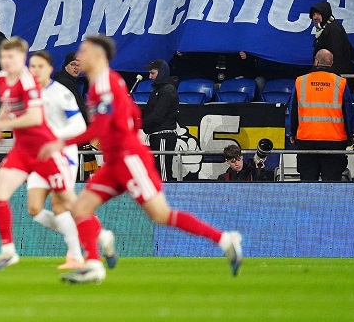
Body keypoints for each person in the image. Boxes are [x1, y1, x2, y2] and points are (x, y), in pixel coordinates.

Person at [41, 35, 242, 285]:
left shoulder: (105, 84)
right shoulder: (98, 85)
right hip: (114, 162)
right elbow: (134, 116)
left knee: (161, 215)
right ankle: (93, 265)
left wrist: (61, 142)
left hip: (129, 161)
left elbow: (98, 128)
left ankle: (225, 240)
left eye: (85, 50)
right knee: (81, 208)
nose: (80, 55)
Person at [0, 38, 85, 272]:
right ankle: (8, 251)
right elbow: (7, 104)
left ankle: (94, 239)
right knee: (0, 193)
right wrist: (0, 122)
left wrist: (6, 124)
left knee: (67, 203)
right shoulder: (0, 78)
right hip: (22, 150)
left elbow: (35, 118)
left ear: (22, 59)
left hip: (45, 150)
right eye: (3, 57)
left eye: (12, 58)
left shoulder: (29, 82)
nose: (6, 62)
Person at [25, 50, 101, 269]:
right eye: (33, 66)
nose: (36, 70)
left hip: (62, 155)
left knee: (61, 206)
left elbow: (78, 125)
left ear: (49, 69)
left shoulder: (62, 91)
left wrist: (54, 138)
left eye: (40, 66)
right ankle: (95, 232)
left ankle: (77, 255)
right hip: (41, 157)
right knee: (34, 210)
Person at [290, 50, 350, 182]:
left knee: (308, 183)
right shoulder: (341, 83)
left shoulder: (300, 82)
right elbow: (348, 113)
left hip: (306, 140)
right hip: (334, 141)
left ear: (316, 62)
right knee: (332, 184)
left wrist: (293, 133)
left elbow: (293, 110)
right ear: (331, 63)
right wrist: (350, 138)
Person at [141, 58, 180, 180]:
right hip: (157, 136)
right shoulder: (158, 91)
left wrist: (139, 123)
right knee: (157, 171)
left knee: (163, 173)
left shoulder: (167, 90)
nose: (150, 77)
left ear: (161, 72)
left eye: (153, 73)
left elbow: (157, 115)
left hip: (163, 136)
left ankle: (165, 198)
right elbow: (149, 112)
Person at [309, 1, 353, 72]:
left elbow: (338, 54)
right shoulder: (325, 28)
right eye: (313, 14)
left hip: (334, 75)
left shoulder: (334, 29)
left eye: (318, 14)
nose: (315, 17)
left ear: (325, 13)